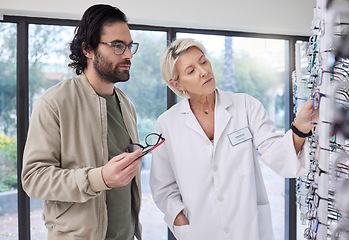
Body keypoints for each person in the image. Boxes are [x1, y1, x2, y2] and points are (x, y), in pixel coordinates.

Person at [149, 38, 317, 240]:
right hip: (200, 231)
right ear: (176, 83)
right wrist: (180, 221)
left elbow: (276, 154)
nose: (203, 71)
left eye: (203, 62)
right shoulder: (167, 124)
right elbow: (162, 185)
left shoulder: (246, 106)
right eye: (191, 71)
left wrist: (299, 128)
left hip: (248, 228)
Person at [21, 4, 143, 240]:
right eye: (117, 46)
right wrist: (100, 178)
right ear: (87, 49)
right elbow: (33, 179)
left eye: (129, 46)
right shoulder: (55, 102)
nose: (128, 54)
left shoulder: (127, 105)